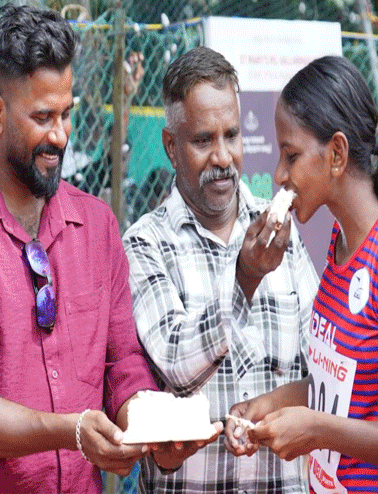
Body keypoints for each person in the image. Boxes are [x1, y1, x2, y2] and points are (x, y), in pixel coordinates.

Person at [0, 5, 216, 492]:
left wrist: (149, 426)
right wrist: (70, 431)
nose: (60, 135)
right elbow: (73, 429)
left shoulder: (96, 227)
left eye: (67, 113)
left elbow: (123, 364)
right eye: (42, 117)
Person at [225, 55, 378, 493]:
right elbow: (345, 387)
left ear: (336, 153)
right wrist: (269, 405)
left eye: (291, 155)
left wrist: (319, 430)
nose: (278, 175)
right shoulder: (339, 241)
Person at [122, 46, 319, 493]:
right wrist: (244, 278)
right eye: (203, 140)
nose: (223, 157)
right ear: (171, 147)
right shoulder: (145, 244)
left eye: (231, 135)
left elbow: (323, 363)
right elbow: (176, 363)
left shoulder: (279, 231)